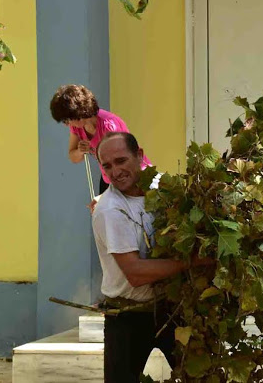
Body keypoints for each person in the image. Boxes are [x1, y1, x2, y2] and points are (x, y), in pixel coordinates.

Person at [92, 131, 213, 383]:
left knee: (203, 376)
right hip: (127, 317)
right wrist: (193, 261)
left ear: (139, 155)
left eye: (121, 161)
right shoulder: (109, 209)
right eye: (107, 166)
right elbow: (135, 273)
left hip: (173, 309)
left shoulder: (165, 190)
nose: (115, 172)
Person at [49, 84, 152, 194]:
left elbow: (121, 164)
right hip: (110, 178)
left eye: (66, 120)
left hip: (134, 177)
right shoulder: (76, 127)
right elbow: (73, 157)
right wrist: (80, 151)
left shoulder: (109, 126)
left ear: (78, 114)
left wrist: (106, 199)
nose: (66, 124)